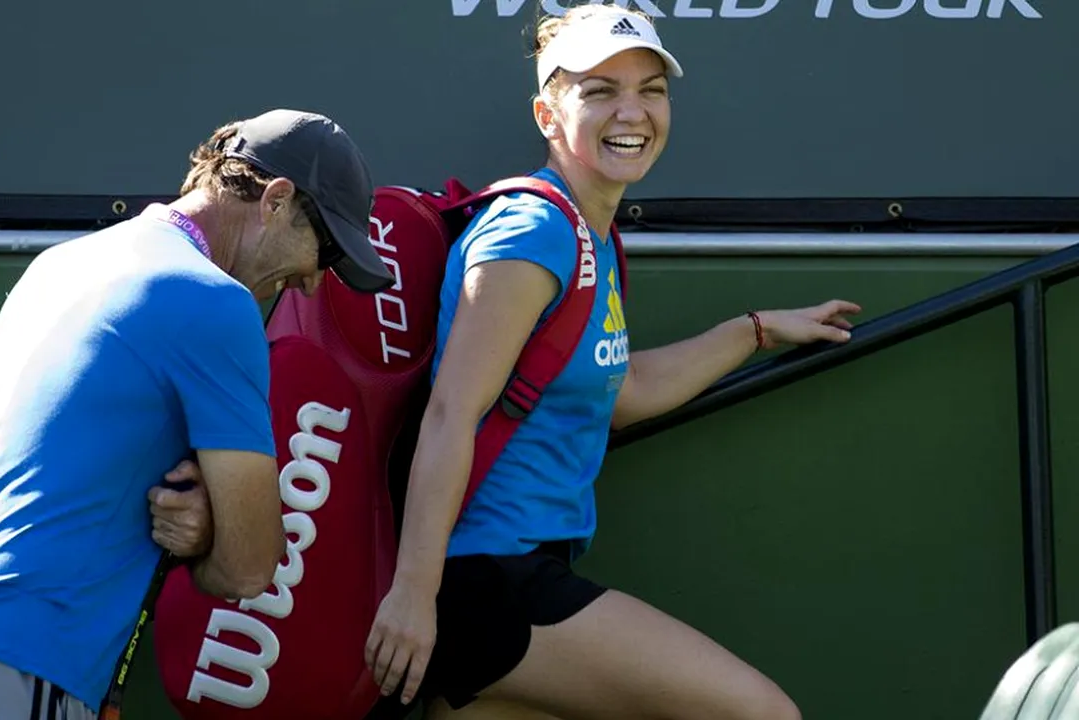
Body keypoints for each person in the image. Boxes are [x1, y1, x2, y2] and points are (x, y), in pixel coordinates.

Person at [360, 6, 861, 720]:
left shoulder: (587, 234)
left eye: (651, 90)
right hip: (485, 581)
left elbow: (627, 388)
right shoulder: (531, 231)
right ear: (548, 115)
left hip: (506, 577)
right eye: (600, 91)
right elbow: (451, 413)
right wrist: (413, 593)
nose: (633, 111)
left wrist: (755, 331)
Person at [0, 108, 396, 720]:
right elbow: (250, 566)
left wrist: (203, 524)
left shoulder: (59, 265)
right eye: (326, 248)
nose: (313, 283)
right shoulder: (215, 303)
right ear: (276, 200)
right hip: (18, 660)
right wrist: (212, 535)